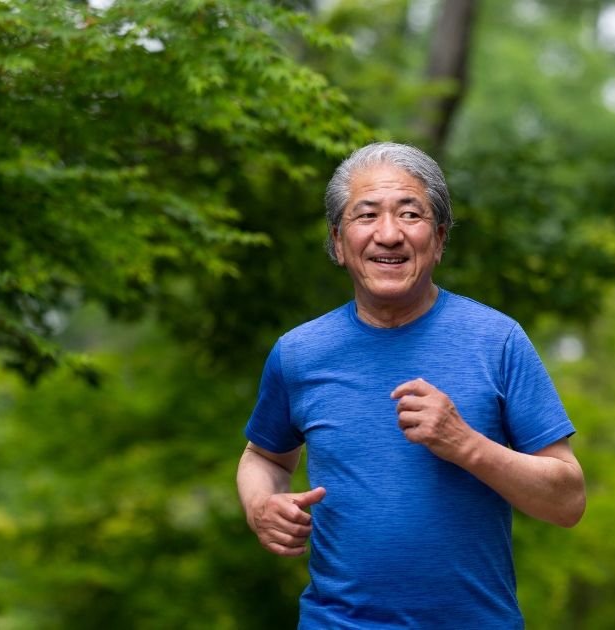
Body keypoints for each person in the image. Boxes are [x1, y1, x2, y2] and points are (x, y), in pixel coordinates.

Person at [236, 142, 586, 628]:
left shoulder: (497, 341)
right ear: (338, 242)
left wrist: (465, 444)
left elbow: (568, 502)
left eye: (410, 214)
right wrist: (261, 505)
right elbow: (264, 458)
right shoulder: (300, 353)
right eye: (366, 215)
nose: (388, 234)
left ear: (439, 239)